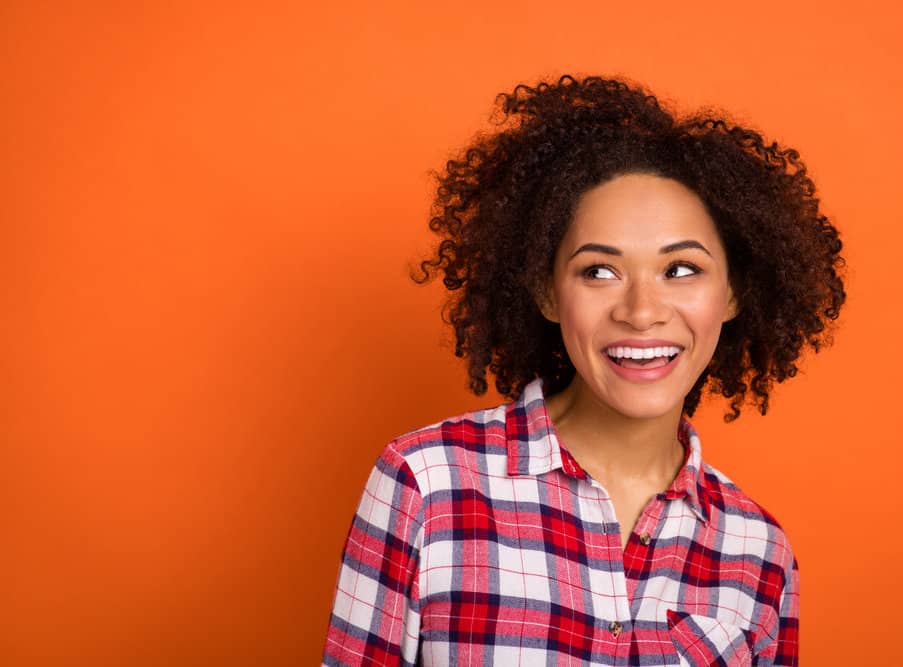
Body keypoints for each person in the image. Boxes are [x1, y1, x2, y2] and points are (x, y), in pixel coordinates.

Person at [322, 74, 846, 666]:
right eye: (599, 271)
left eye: (681, 270)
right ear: (548, 293)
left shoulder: (759, 552)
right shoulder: (427, 486)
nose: (642, 312)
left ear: (732, 295)